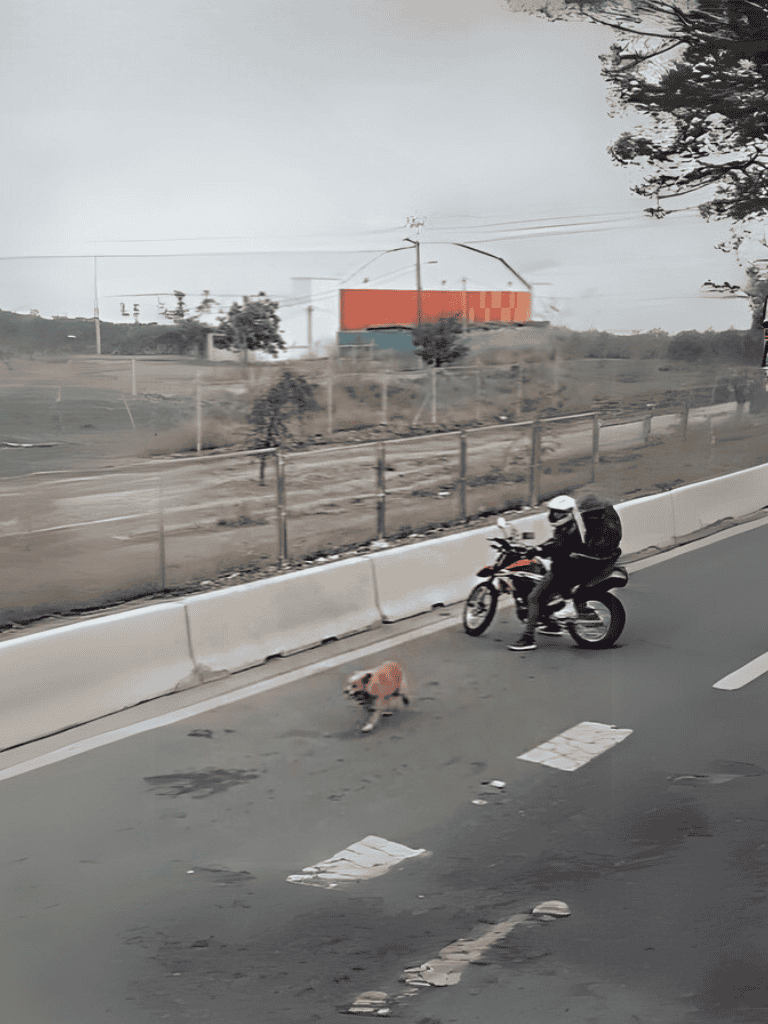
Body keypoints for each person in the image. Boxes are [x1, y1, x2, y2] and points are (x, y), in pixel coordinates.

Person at [508, 495, 584, 652]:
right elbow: (554, 542)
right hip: (568, 568)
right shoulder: (568, 527)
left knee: (533, 597)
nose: (554, 515)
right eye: (553, 511)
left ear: (567, 513)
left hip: (563, 571)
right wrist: (539, 547)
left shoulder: (568, 530)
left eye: (558, 512)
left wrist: (538, 550)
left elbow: (557, 547)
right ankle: (551, 625)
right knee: (541, 590)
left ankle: (528, 638)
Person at [554, 494, 623, 621]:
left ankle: (569, 605)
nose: (582, 514)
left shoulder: (601, 523)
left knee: (559, 569)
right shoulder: (607, 517)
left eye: (584, 510)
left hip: (598, 558)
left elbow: (597, 545)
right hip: (607, 554)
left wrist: (579, 553)